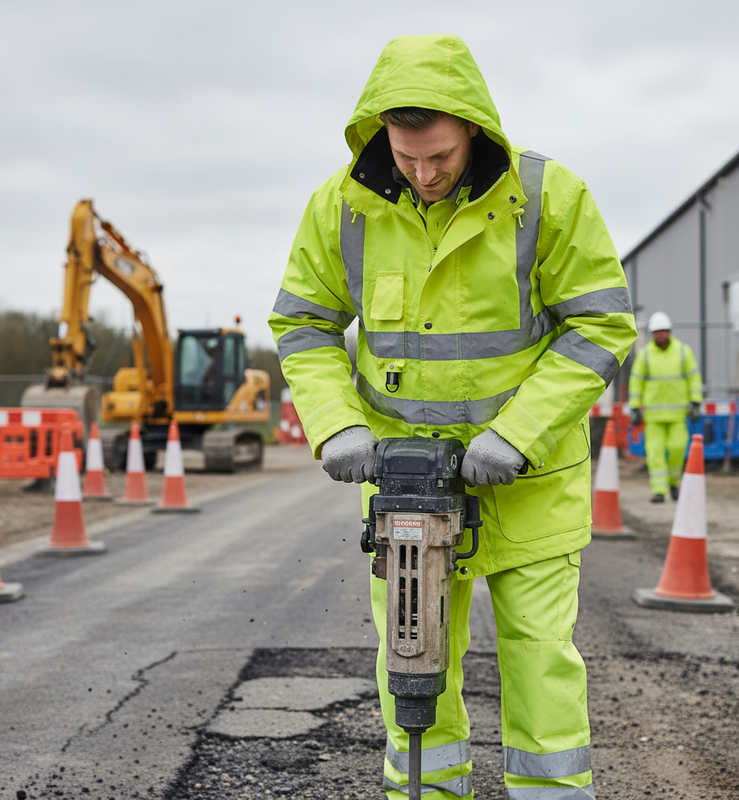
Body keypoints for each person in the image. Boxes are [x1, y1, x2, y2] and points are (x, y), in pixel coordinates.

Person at [269, 34, 637, 799]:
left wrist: (517, 435)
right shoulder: (343, 205)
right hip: (408, 499)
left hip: (530, 488)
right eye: (406, 158)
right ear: (380, 134)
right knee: (415, 671)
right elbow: (303, 323)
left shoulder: (547, 196)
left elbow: (600, 325)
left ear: (474, 125)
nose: (425, 174)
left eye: (439, 155)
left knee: (540, 666)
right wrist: (336, 424)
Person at [628, 311, 703, 503]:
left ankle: (674, 482)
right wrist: (634, 408)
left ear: (669, 331)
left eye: (663, 331)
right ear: (652, 334)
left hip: (678, 414)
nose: (660, 335)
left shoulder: (683, 351)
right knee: (654, 452)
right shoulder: (645, 354)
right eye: (657, 332)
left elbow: (693, 377)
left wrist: (696, 402)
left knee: (677, 448)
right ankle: (659, 490)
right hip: (653, 415)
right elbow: (636, 381)